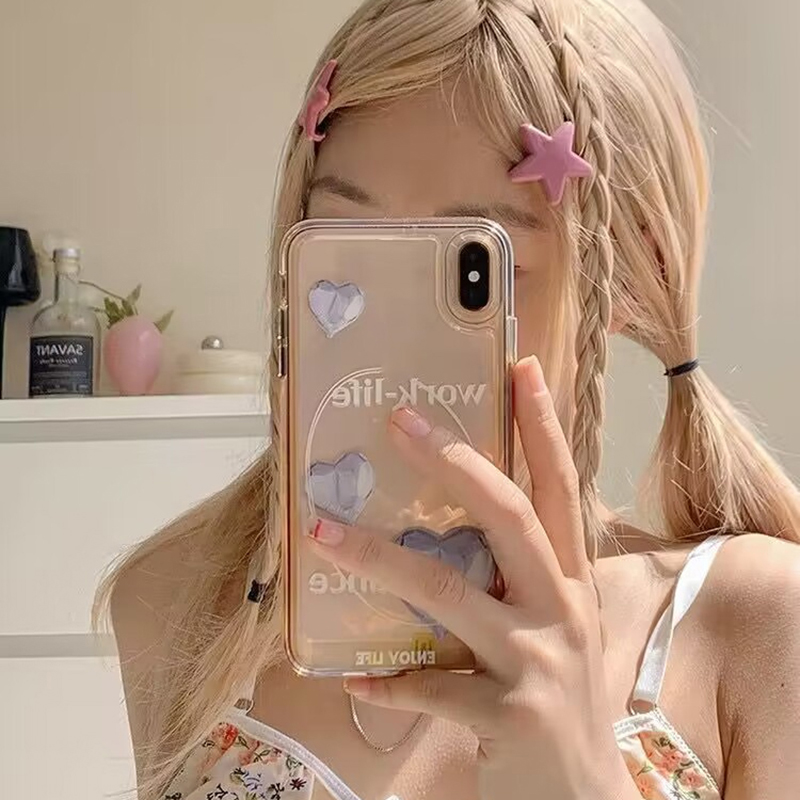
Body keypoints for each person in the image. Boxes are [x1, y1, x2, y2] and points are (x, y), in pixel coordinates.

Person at [97, 0, 800, 798]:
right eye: (347, 239)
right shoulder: (173, 599)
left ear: (625, 286)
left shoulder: (752, 628)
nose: (390, 325)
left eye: (472, 266)